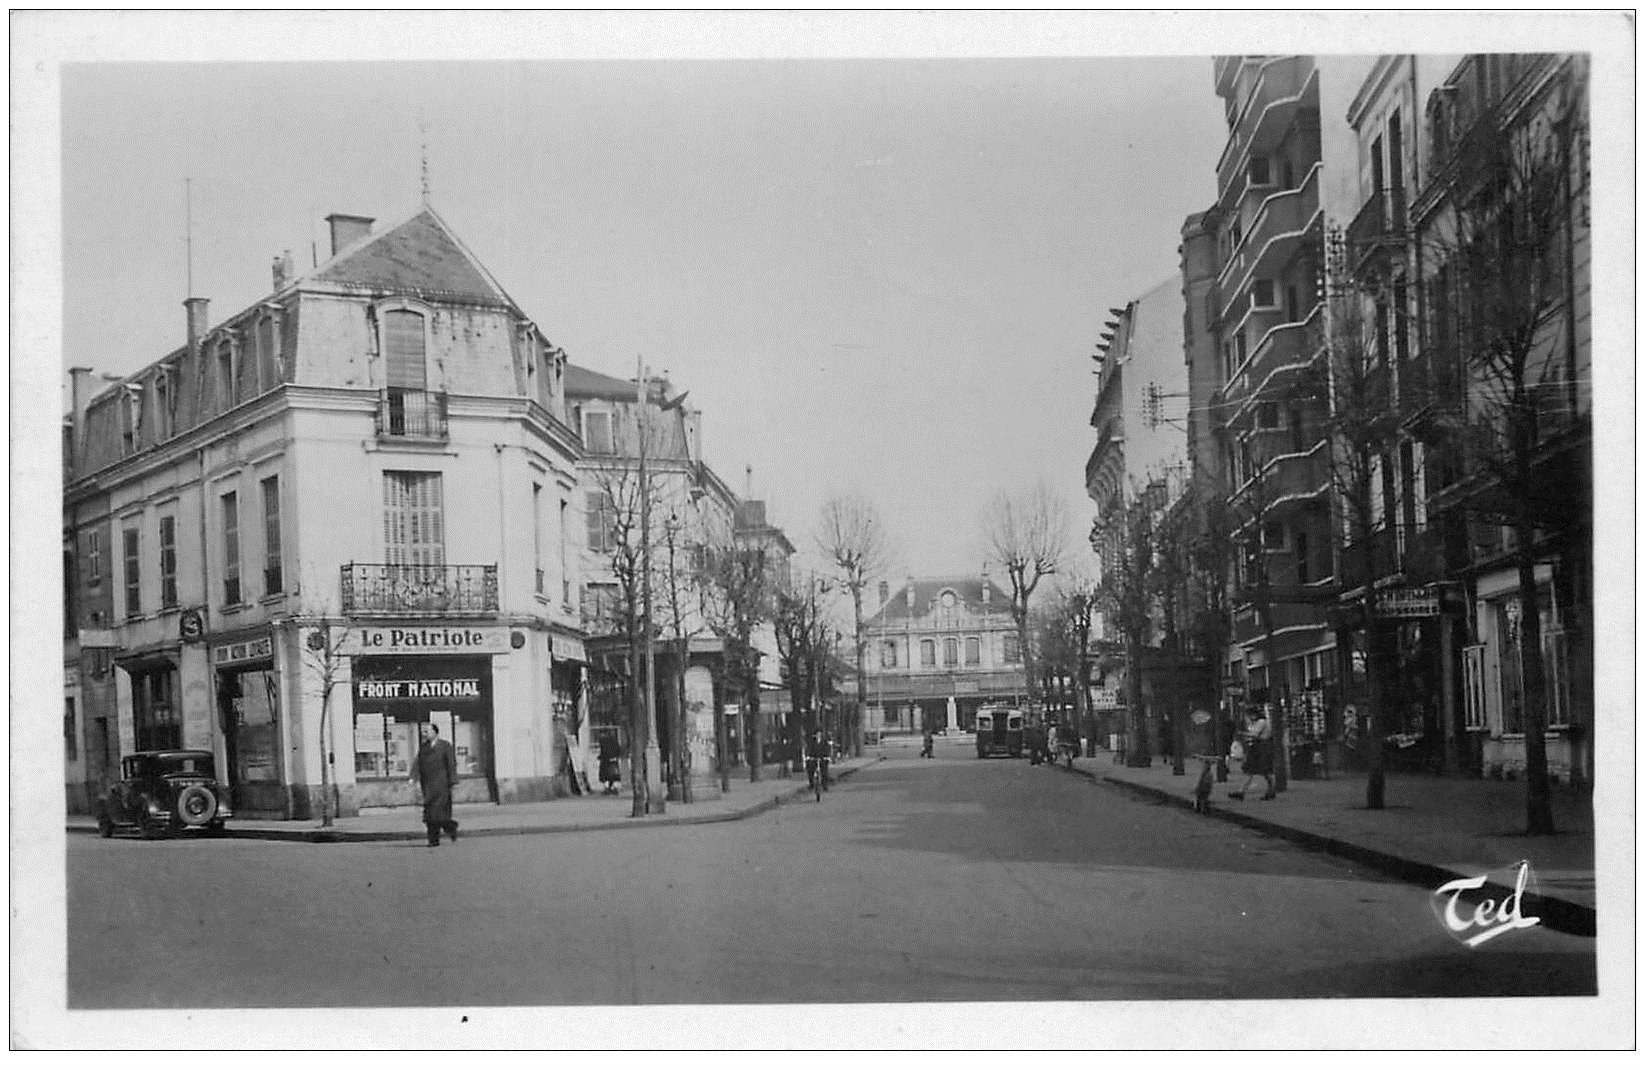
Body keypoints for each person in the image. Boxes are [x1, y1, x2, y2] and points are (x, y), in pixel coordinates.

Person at [412, 722, 460, 845]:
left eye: (426, 731)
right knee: (430, 813)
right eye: (423, 732)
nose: (424, 734)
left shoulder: (445, 746)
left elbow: (451, 764)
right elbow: (418, 763)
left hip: (441, 785)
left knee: (437, 813)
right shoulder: (424, 747)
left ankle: (449, 827)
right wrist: (413, 777)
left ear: (434, 732)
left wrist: (453, 781)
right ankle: (435, 838)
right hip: (427, 785)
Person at [1228, 706, 1276, 801]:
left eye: (1249, 715)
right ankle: (1243, 792)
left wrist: (1242, 733)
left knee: (1259, 771)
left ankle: (1271, 790)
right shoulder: (1258, 722)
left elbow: (1254, 734)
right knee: (1257, 771)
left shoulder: (1261, 722)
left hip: (1261, 748)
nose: (1249, 717)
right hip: (1259, 747)